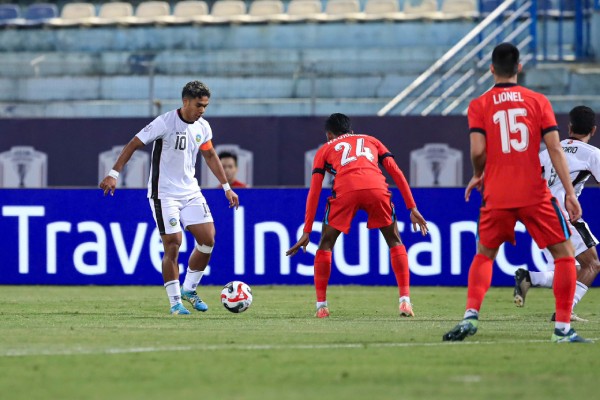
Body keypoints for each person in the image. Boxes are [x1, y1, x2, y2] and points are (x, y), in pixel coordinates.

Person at [442, 43, 591, 343]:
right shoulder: (538, 101)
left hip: (497, 193)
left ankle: (470, 316)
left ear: (492, 69)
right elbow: (555, 149)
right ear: (519, 68)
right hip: (534, 193)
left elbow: (477, 150)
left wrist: (477, 174)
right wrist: (570, 194)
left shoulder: (479, 104)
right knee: (565, 256)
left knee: (484, 256)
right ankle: (562, 329)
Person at [99, 81, 239, 315]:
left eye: (205, 106)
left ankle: (189, 289)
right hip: (164, 194)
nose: (202, 110)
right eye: (198, 105)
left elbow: (211, 155)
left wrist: (227, 187)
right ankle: (175, 302)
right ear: (185, 102)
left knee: (208, 240)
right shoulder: (164, 122)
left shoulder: (202, 126)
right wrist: (113, 174)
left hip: (191, 191)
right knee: (173, 243)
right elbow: (134, 144)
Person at [286, 113, 428, 318]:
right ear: (351, 131)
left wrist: (307, 230)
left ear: (329, 135)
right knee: (394, 240)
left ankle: (321, 307)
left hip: (346, 191)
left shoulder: (325, 149)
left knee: (325, 244)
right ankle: (405, 301)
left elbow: (314, 192)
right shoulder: (371, 140)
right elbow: (396, 172)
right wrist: (411, 207)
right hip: (376, 188)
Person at [514, 105, 600, 322]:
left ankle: (529, 278)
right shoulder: (593, 154)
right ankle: (565, 312)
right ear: (594, 130)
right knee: (592, 264)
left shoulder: (551, 150)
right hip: (563, 213)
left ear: (569, 127)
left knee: (570, 268)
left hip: (540, 213)